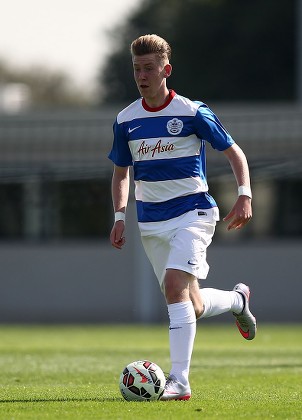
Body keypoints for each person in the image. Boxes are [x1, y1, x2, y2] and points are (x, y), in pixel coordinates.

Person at [108, 34, 256, 401]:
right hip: (152, 223)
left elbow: (234, 152)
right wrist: (119, 216)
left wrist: (244, 195)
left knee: (174, 288)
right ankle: (238, 301)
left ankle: (180, 381)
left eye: (149, 68)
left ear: (165, 70)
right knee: (192, 304)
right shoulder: (126, 120)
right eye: (136, 69)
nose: (142, 75)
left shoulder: (192, 112)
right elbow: (121, 172)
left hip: (194, 211)